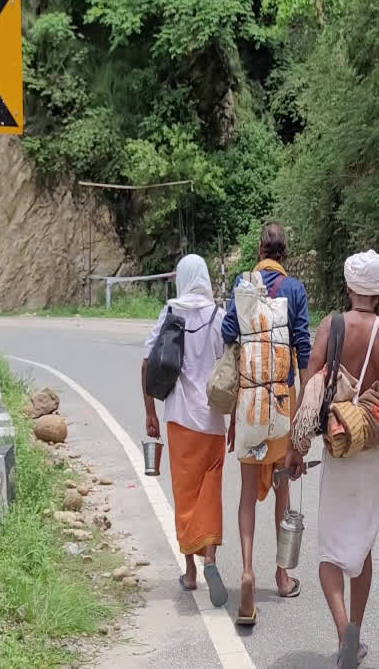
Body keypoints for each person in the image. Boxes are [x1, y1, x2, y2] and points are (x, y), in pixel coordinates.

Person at [287, 249, 379, 668]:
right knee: (362, 545)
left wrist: (296, 447)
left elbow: (311, 383)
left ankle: (343, 633)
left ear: (350, 287)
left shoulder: (331, 327)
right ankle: (356, 634)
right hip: (372, 449)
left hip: (337, 442)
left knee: (331, 552)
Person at [221, 222, 311, 624]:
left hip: (249, 402)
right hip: (281, 405)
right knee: (281, 492)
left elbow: (227, 332)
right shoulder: (294, 290)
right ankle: (281, 573)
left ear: (259, 249)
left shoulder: (244, 282)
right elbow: (303, 347)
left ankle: (246, 570)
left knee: (244, 494)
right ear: (285, 253)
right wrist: (306, 407)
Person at [142, 254, 229, 607]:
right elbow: (232, 372)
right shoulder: (219, 317)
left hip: (178, 418)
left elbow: (147, 362)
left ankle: (191, 571)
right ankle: (211, 558)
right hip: (211, 421)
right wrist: (236, 419)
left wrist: (150, 413)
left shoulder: (169, 314)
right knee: (211, 490)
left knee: (185, 494)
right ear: (206, 278)